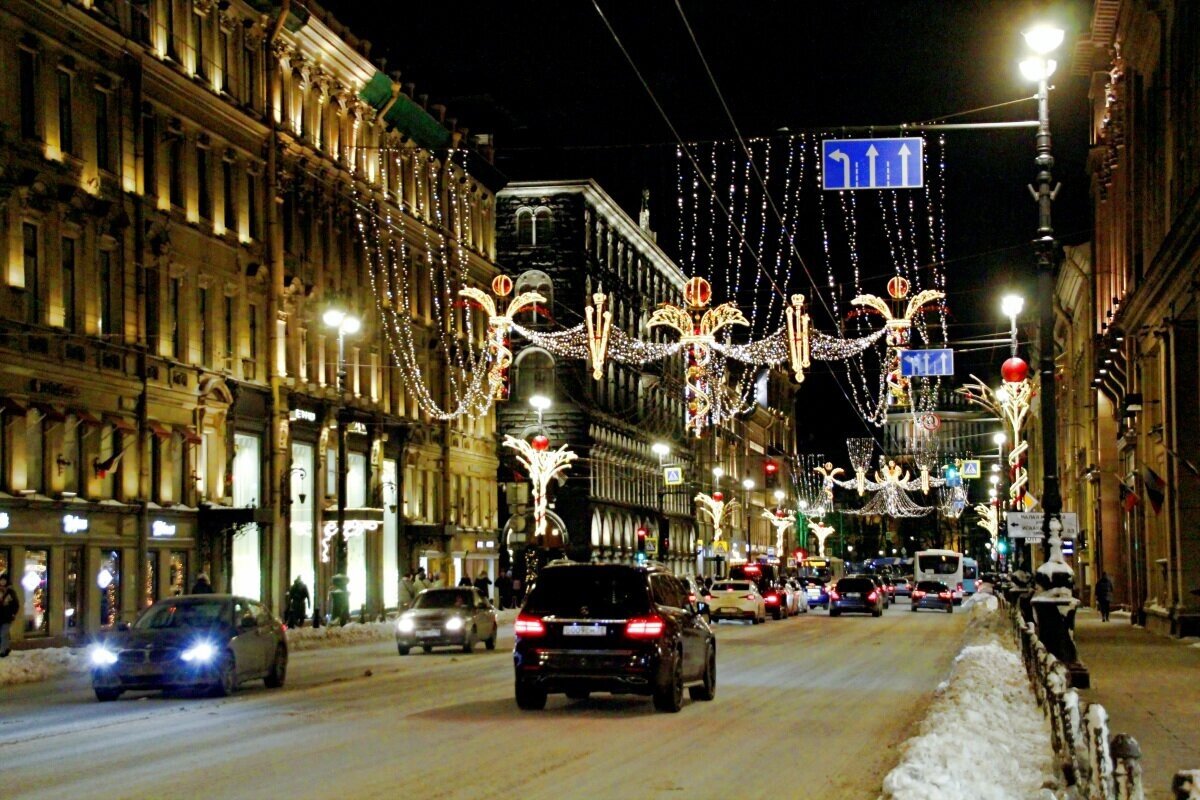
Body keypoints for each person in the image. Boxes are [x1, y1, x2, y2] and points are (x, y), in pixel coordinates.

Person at [0, 572, 20, 657]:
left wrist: (13, 614)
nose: (2, 582)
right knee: (3, 634)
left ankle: (3, 651)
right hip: (0, 616)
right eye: (1, 580)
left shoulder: (10, 592)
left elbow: (16, 604)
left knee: (3, 634)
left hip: (7, 617)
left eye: (4, 580)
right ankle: (6, 648)